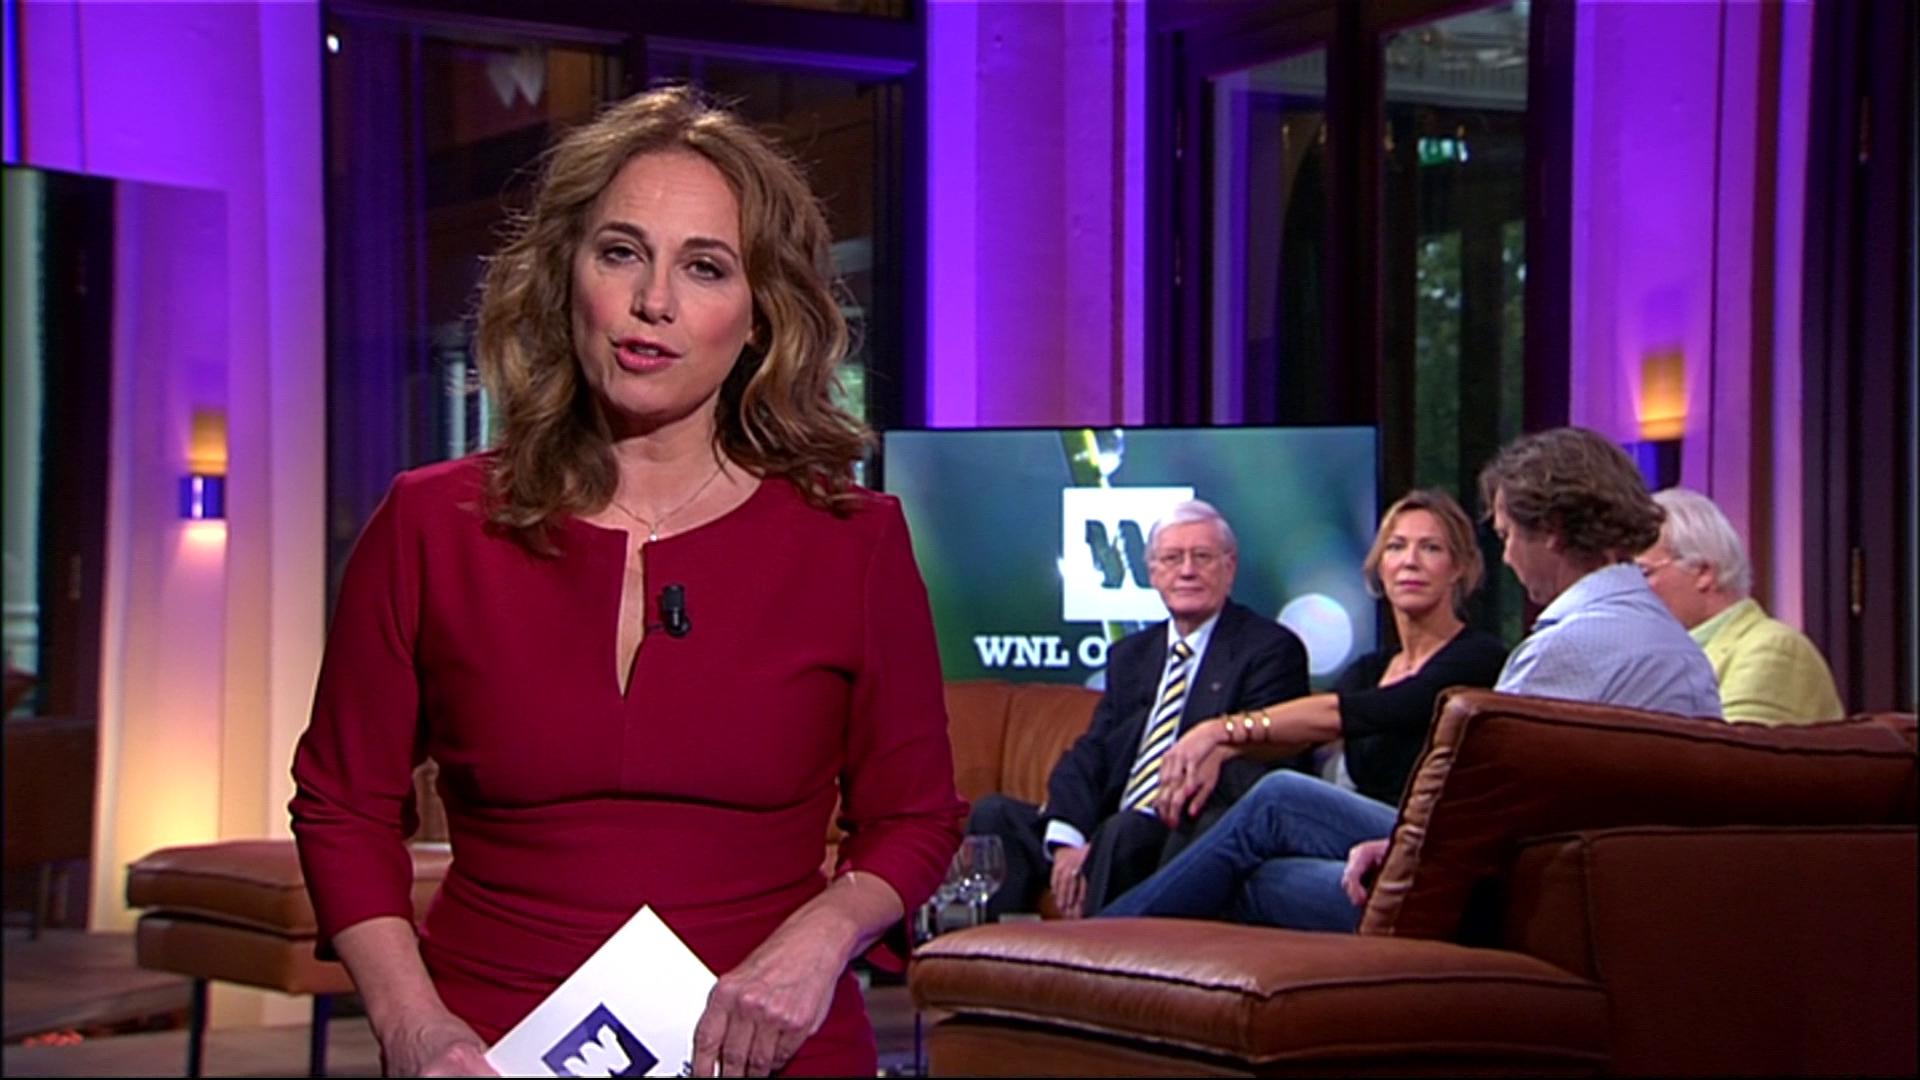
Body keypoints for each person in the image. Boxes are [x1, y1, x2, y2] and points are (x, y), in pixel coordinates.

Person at [289, 86, 966, 1078]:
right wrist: (413, 1026)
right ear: (566, 275)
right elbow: (342, 806)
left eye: (705, 266)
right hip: (484, 1051)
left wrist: (821, 941)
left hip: (765, 1047)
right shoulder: (431, 525)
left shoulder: (852, 541)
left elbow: (914, 818)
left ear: (760, 315)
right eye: (620, 253)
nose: (654, 301)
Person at [1107, 428, 1723, 931]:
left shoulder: (1564, 648)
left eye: (1508, 536)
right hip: (1593, 884)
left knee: (1274, 815)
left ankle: (1098, 950)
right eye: (1396, 547)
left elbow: (1482, 804)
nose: (1509, 557)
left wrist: (1400, 847)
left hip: (1509, 896)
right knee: (1257, 863)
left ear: (1554, 531)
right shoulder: (1672, 640)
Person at [1101, 490, 1507, 930]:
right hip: (1356, 850)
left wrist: (1220, 732)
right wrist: (1224, 753)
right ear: (1380, 566)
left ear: (1459, 567)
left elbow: (1362, 712)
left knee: (1278, 797)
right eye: (1396, 547)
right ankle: (1134, 949)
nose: (1410, 561)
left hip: (1431, 849)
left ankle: (1108, 940)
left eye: (1430, 548)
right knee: (1240, 877)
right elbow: (1303, 737)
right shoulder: (1368, 670)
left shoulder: (1476, 658)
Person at [968, 499, 1310, 919]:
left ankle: (1096, 956)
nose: (1187, 571)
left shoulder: (1268, 649)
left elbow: (1268, 765)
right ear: (1152, 573)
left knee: (1125, 831)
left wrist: (1131, 823)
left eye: (1202, 557)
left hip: (1182, 832)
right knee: (995, 816)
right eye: (1172, 558)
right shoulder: (1132, 656)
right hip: (1108, 826)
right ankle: (989, 956)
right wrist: (1069, 841)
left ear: (1230, 567)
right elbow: (1092, 752)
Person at [1639, 487, 1845, 724]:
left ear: (1703, 572)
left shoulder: (1771, 648)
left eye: (1642, 572)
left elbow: (1723, 747)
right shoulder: (1647, 656)